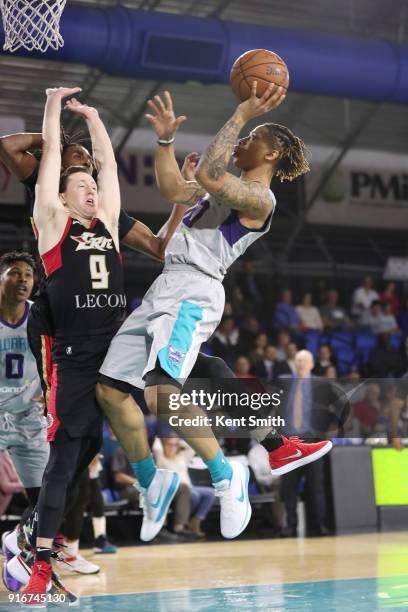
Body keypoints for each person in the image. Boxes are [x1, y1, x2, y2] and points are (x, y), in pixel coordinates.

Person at [97, 81, 333, 545]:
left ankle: (228, 478)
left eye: (253, 138)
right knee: (109, 391)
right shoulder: (215, 194)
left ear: (272, 153)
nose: (244, 141)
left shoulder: (259, 200)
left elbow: (208, 173)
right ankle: (153, 480)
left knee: (161, 393)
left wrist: (242, 114)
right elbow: (173, 187)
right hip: (163, 287)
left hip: (193, 291)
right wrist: (164, 141)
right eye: (245, 133)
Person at [21, 87, 168, 602]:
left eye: (92, 186)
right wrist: (54, 105)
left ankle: (176, 477)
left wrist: (96, 118)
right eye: (79, 185)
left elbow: (107, 164)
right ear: (61, 198)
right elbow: (54, 161)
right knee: (68, 460)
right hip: (76, 359)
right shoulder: (53, 227)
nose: (89, 189)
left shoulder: (107, 222)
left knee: (183, 372)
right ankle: (40, 559)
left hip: (119, 346)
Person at [0, 251, 50, 592]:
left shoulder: (42, 317)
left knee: (47, 500)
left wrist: (51, 393)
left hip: (30, 419)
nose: (22, 280)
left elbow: (60, 359)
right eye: (14, 274)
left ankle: (18, 547)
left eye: (28, 275)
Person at [276, 350, 348, 537]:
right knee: (288, 487)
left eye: (304, 361)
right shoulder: (283, 382)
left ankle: (320, 526)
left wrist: (332, 430)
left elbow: (342, 405)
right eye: (298, 361)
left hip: (313, 440)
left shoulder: (322, 384)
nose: (300, 364)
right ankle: (290, 527)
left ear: (312, 364)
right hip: (288, 442)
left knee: (316, 487)